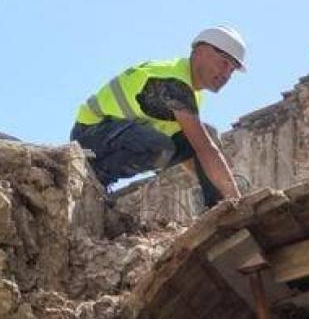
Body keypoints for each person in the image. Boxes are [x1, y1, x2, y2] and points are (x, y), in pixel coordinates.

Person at [71, 26, 247, 207]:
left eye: (232, 70)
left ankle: (219, 207)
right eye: (224, 63)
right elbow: (205, 149)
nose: (226, 74)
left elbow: (198, 150)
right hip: (92, 135)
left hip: (124, 133)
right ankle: (95, 178)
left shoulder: (191, 91)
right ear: (200, 51)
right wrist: (236, 196)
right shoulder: (173, 83)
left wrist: (216, 181)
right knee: (162, 148)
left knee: (206, 134)